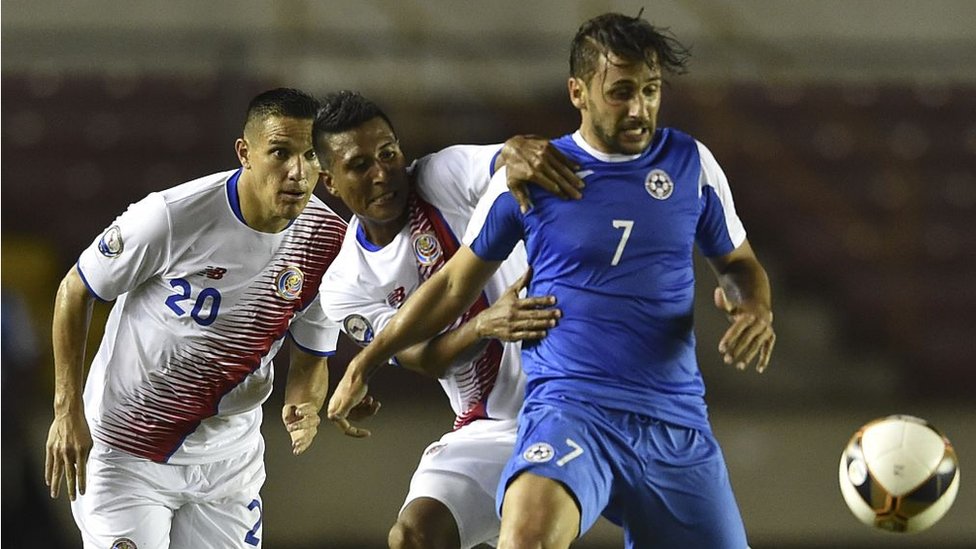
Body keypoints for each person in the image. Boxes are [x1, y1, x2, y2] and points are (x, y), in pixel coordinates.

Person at [328, 12, 776, 549]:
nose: (639, 108)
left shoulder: (690, 163)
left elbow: (739, 265)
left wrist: (754, 306)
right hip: (569, 408)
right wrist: (365, 361)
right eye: (621, 92)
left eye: (651, 91)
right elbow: (451, 289)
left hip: (671, 417)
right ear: (578, 92)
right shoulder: (532, 183)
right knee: (522, 540)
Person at [44, 87, 378, 549]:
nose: (297, 173)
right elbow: (75, 290)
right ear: (246, 152)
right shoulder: (171, 217)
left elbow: (310, 358)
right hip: (127, 449)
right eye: (280, 153)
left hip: (228, 464)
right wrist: (67, 411)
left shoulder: (328, 244)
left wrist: (304, 404)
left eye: (311, 156)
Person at [313, 90, 580, 549]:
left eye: (388, 154)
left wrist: (517, 151)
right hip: (486, 424)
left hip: (564, 402)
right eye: (359, 165)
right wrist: (484, 325)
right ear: (330, 181)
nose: (382, 174)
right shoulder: (344, 285)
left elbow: (505, 161)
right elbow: (422, 359)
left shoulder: (441, 175)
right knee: (413, 536)